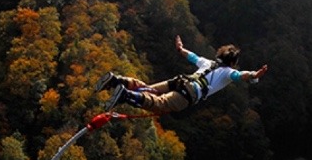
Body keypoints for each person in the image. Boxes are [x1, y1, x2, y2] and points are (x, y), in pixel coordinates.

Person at [96, 35, 268, 114]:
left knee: (146, 88)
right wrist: (254, 74)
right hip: (190, 93)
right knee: (158, 103)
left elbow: (191, 56)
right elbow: (241, 76)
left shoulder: (208, 62)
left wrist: (180, 48)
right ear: (232, 62)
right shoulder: (229, 72)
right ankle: (124, 95)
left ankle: (115, 80)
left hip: (180, 81)